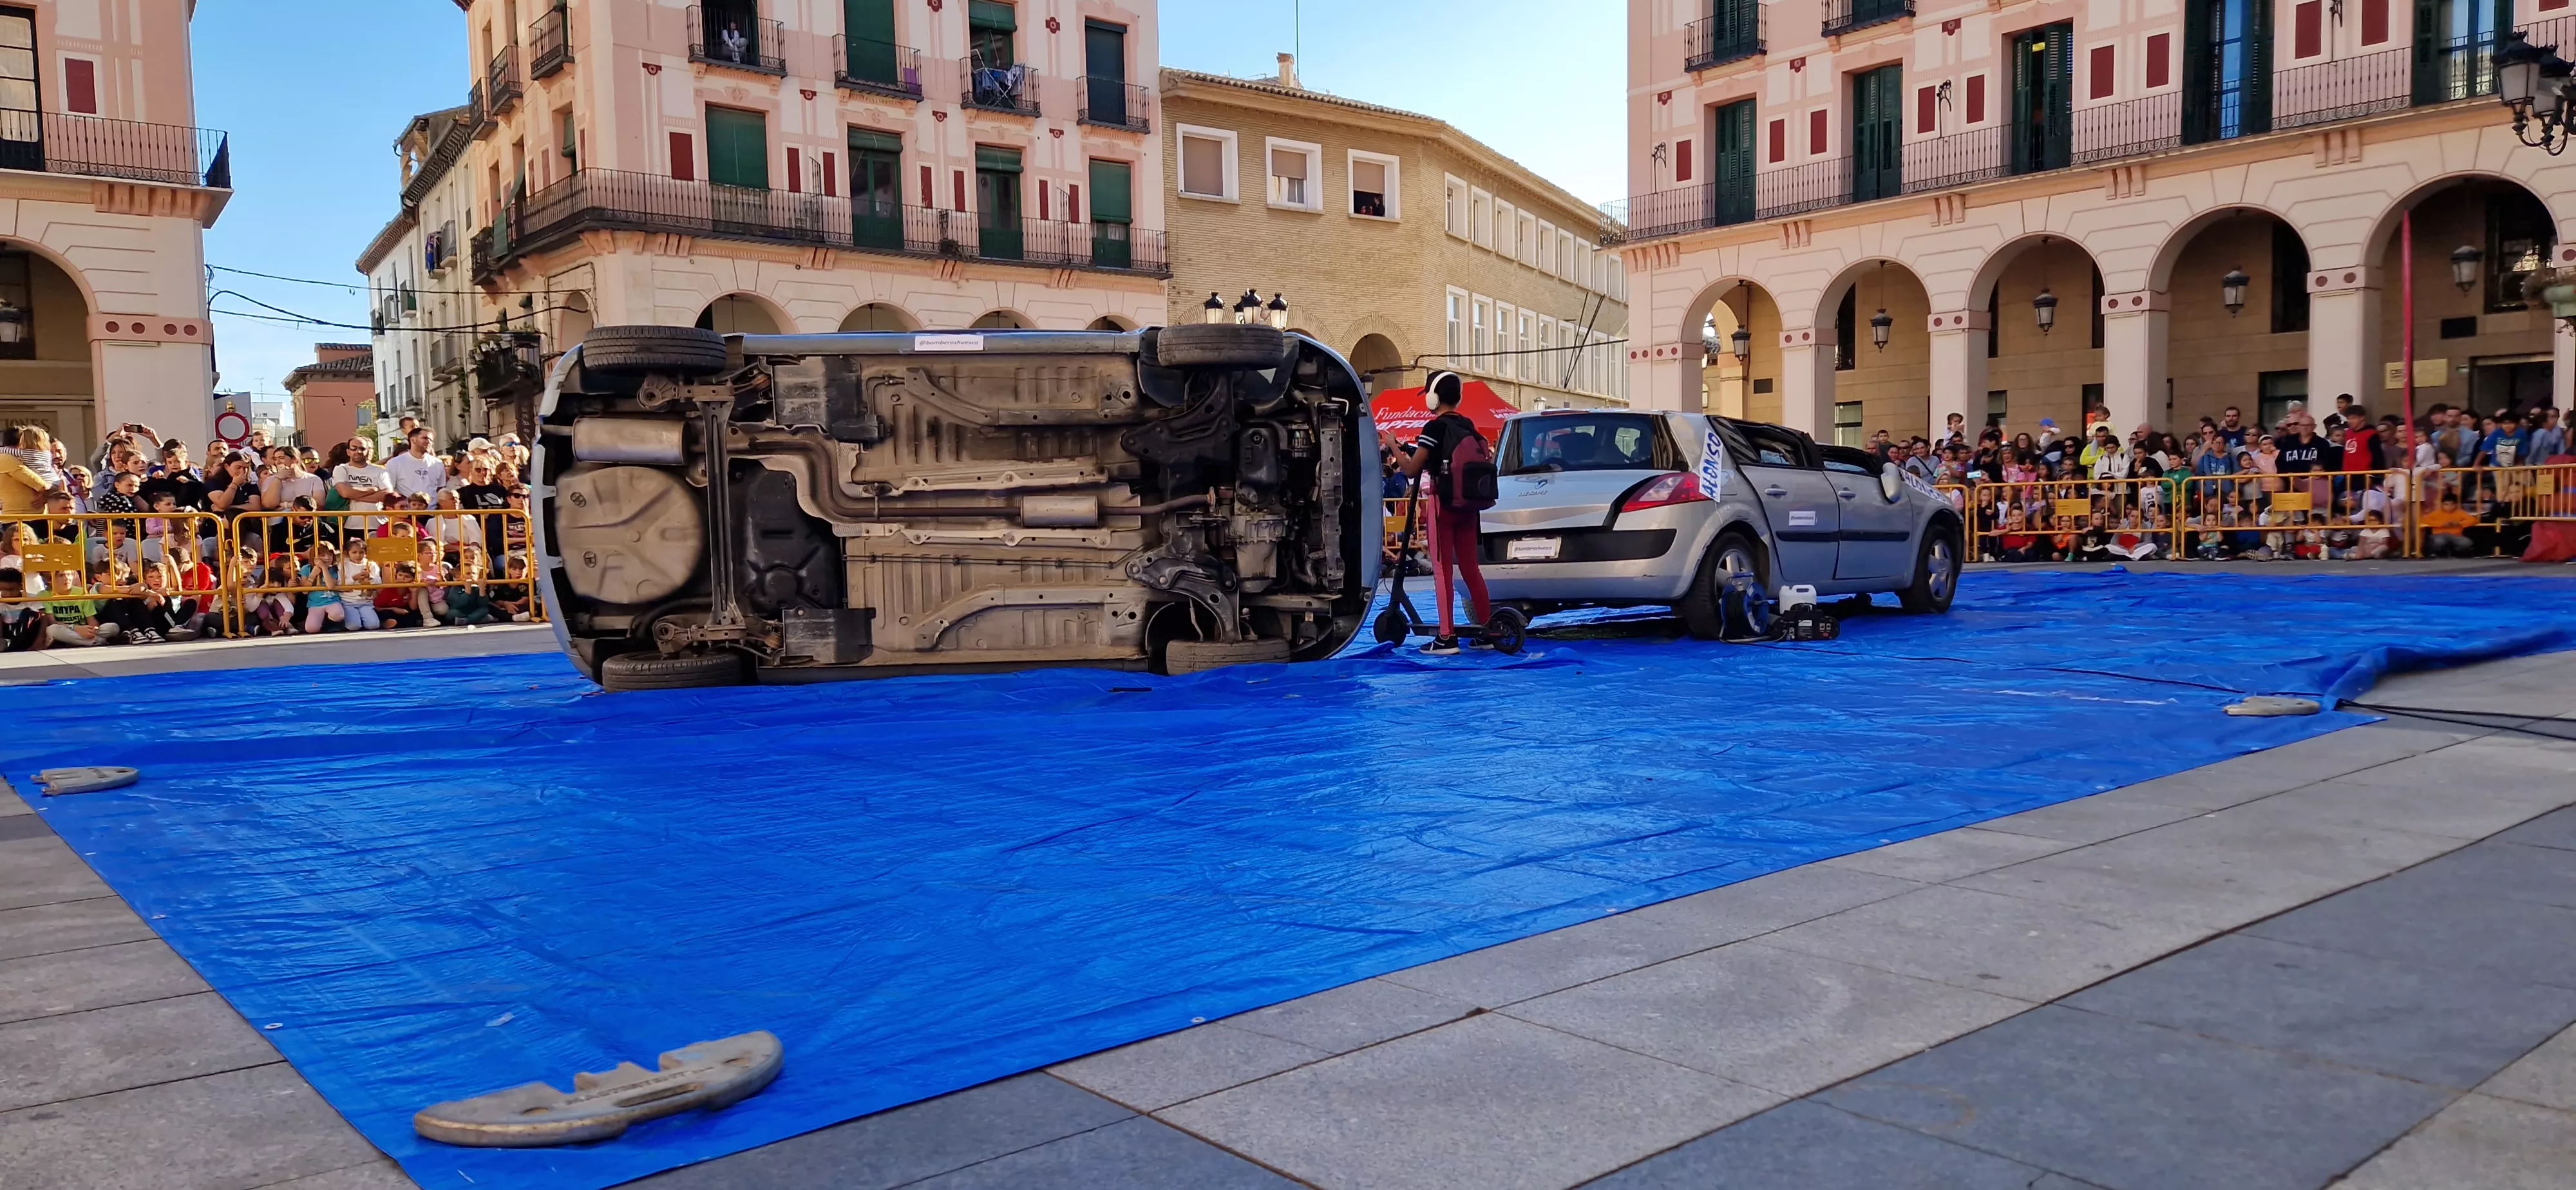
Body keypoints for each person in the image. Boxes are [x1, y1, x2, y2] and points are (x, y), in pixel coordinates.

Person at [1387, 371, 1491, 655]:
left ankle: (1447, 637)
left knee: (1442, 569)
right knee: (1470, 568)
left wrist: (1393, 444)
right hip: (1469, 504)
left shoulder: (1434, 428)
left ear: (1433, 397)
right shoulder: (1468, 425)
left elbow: (1410, 469)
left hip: (1442, 505)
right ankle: (1487, 630)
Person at [330, 437, 395, 535]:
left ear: (368, 451)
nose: (358, 451)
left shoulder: (380, 471)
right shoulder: (341, 469)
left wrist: (354, 495)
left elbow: (387, 495)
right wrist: (373, 490)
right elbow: (345, 493)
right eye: (354, 448)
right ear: (348, 452)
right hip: (350, 525)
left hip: (378, 524)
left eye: (362, 449)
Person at [388, 427, 447, 501]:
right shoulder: (395, 463)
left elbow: (440, 488)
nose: (429, 442)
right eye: (425, 438)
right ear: (413, 440)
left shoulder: (437, 463)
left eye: (431, 440)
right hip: (408, 510)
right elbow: (390, 490)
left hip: (432, 510)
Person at [2421, 493, 2478, 557]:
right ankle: (2442, 553)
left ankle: (2455, 552)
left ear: (2456, 505)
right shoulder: (2436, 513)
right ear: (2442, 504)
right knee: (2439, 542)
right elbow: (2424, 520)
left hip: (2456, 536)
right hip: (2440, 535)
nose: (2449, 507)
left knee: (2467, 543)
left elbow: (2473, 520)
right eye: (2446, 504)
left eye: (2452, 504)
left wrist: (2459, 524)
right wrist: (2441, 524)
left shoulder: (2460, 512)